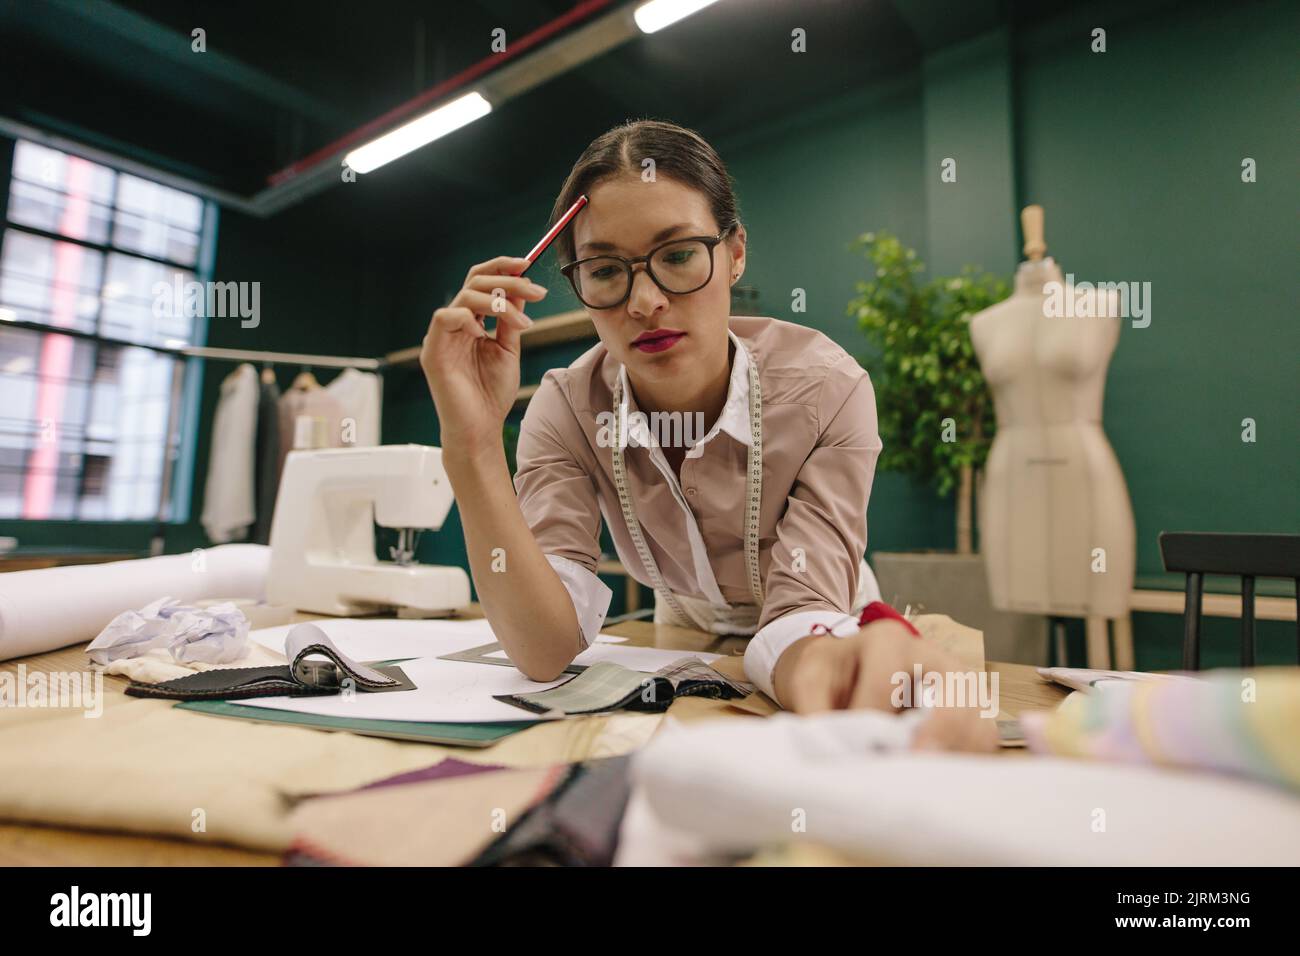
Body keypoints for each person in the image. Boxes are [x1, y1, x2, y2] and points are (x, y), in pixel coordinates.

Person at [420, 119, 991, 741]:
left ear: (735, 252)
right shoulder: (566, 408)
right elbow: (543, 651)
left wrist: (829, 671)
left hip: (821, 621)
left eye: (678, 255)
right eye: (606, 270)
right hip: (681, 626)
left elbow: (802, 610)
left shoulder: (828, 389)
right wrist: (471, 445)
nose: (644, 301)